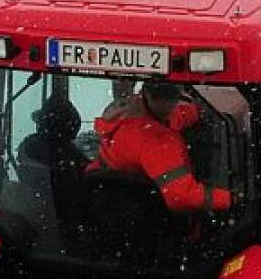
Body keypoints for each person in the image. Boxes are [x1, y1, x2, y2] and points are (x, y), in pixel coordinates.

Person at [88, 81, 231, 213]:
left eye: (172, 96)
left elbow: (169, 116)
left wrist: (199, 111)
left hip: (106, 203)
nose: (170, 104)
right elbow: (182, 197)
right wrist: (232, 198)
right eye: (165, 97)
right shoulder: (158, 142)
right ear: (147, 93)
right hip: (144, 217)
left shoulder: (124, 116)